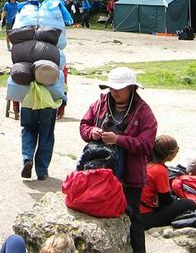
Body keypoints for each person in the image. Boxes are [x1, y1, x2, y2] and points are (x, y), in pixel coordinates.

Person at [80, 67, 157, 253]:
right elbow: (84, 125)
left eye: (120, 88)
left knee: (133, 217)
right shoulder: (99, 104)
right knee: (98, 211)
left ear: (131, 88)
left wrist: (119, 140)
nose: (115, 92)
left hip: (131, 176)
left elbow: (147, 145)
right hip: (100, 171)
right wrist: (92, 132)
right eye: (112, 88)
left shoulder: (144, 112)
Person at [141, 135, 196, 228]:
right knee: (189, 204)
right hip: (146, 216)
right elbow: (166, 200)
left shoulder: (146, 162)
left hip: (137, 210)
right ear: (169, 155)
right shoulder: (159, 170)